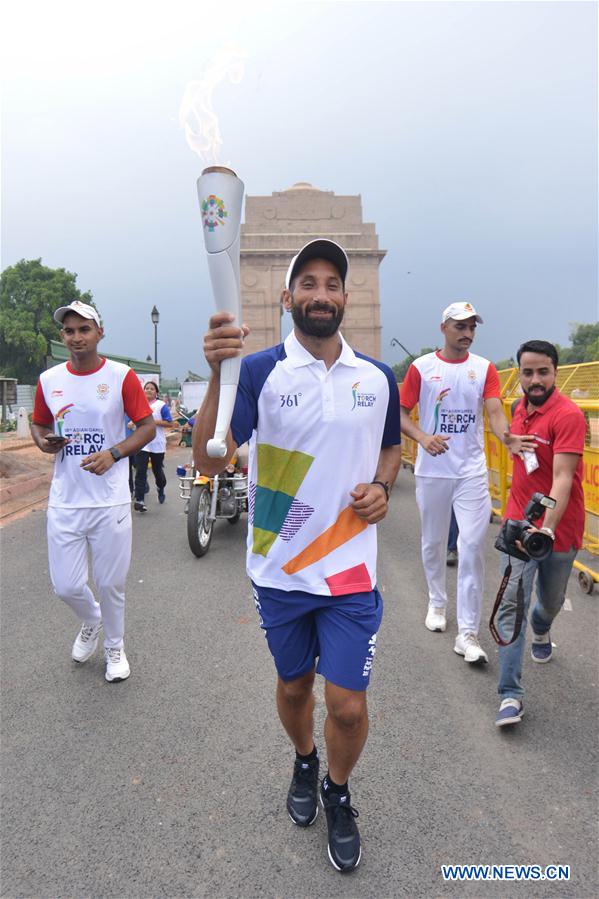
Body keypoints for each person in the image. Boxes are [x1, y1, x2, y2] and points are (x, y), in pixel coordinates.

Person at [193, 239, 401, 872]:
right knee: (294, 687)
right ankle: (304, 760)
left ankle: (338, 791)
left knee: (347, 703)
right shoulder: (258, 371)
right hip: (279, 569)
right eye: (306, 283)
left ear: (345, 296)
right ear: (288, 299)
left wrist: (383, 487)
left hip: (349, 569)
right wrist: (216, 376)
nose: (320, 293)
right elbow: (210, 456)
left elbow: (390, 448)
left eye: (331, 283)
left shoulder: (377, 378)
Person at [399, 302, 535, 663]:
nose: (467, 333)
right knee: (433, 542)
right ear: (443, 327)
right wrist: (423, 437)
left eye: (472, 326)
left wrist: (507, 438)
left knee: (472, 545)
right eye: (460, 325)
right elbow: (400, 412)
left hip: (471, 472)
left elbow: (493, 411)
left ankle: (469, 633)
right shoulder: (422, 368)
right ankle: (437, 602)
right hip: (433, 470)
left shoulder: (484, 368)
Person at [31, 301, 155, 682]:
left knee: (110, 583)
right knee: (66, 585)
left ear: (100, 333)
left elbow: (147, 427)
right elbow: (38, 424)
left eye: (84, 329)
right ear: (62, 337)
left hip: (110, 499)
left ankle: (115, 648)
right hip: (66, 499)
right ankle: (92, 620)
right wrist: (43, 441)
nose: (76, 337)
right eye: (69, 331)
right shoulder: (49, 380)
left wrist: (115, 454)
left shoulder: (121, 376)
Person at [494, 340, 586, 727]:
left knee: (548, 602)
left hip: (558, 529)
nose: (534, 379)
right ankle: (510, 695)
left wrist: (545, 529)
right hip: (517, 523)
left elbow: (563, 479)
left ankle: (543, 627)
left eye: (542, 371)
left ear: (555, 372)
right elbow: (514, 447)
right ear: (520, 374)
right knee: (511, 605)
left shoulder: (568, 416)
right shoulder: (518, 409)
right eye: (527, 372)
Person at [132, 380, 174, 511]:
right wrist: (133, 424)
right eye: (146, 388)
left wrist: (151, 422)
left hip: (157, 442)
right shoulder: (139, 404)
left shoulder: (161, 405)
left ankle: (160, 487)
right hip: (142, 442)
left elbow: (169, 423)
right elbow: (134, 419)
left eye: (152, 389)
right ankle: (140, 500)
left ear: (156, 392)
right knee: (140, 471)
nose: (149, 390)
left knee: (157, 470)